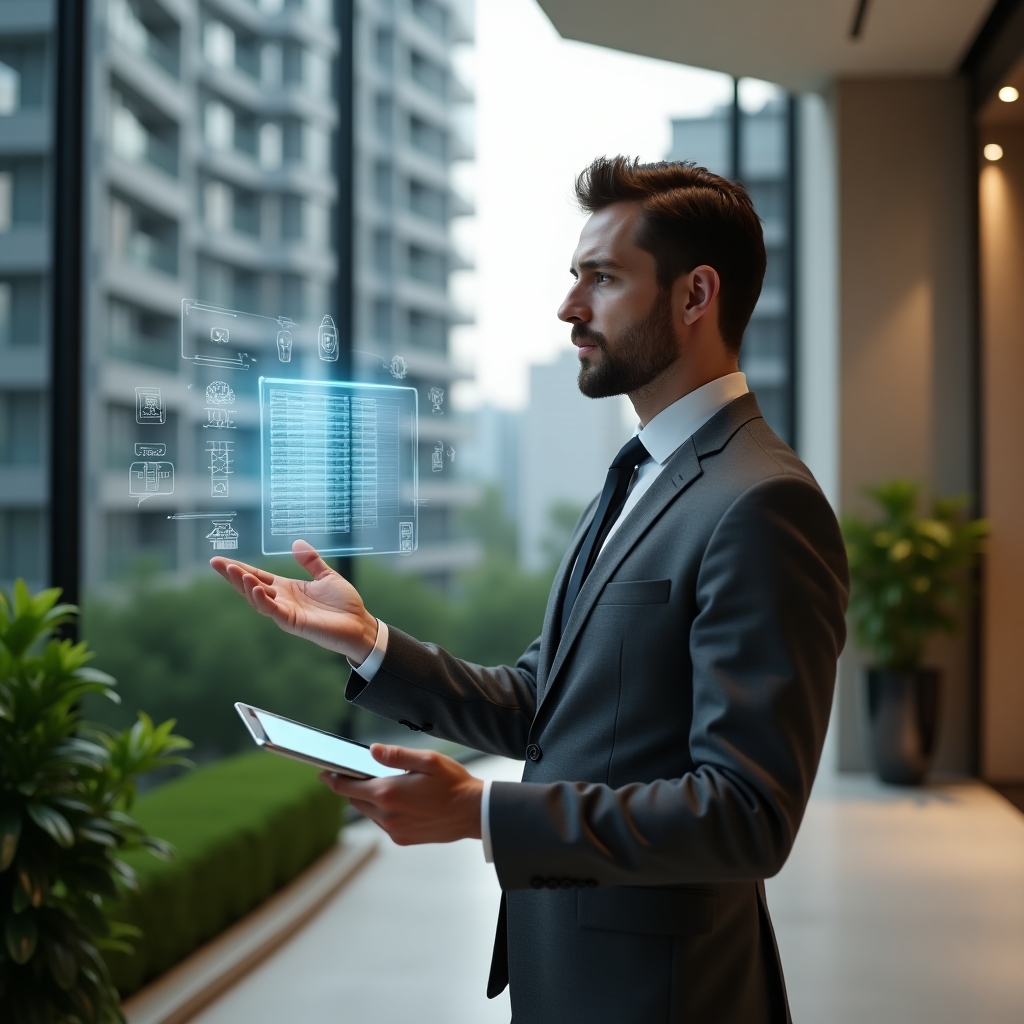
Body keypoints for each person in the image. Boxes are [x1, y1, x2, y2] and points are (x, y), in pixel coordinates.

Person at [212, 157, 849, 1024]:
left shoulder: (763, 501)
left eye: (604, 278)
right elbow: (542, 708)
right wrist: (368, 643)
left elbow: (746, 814)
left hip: (661, 996)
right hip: (571, 972)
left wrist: (482, 811)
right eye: (573, 277)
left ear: (696, 295)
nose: (570, 307)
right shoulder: (636, 478)